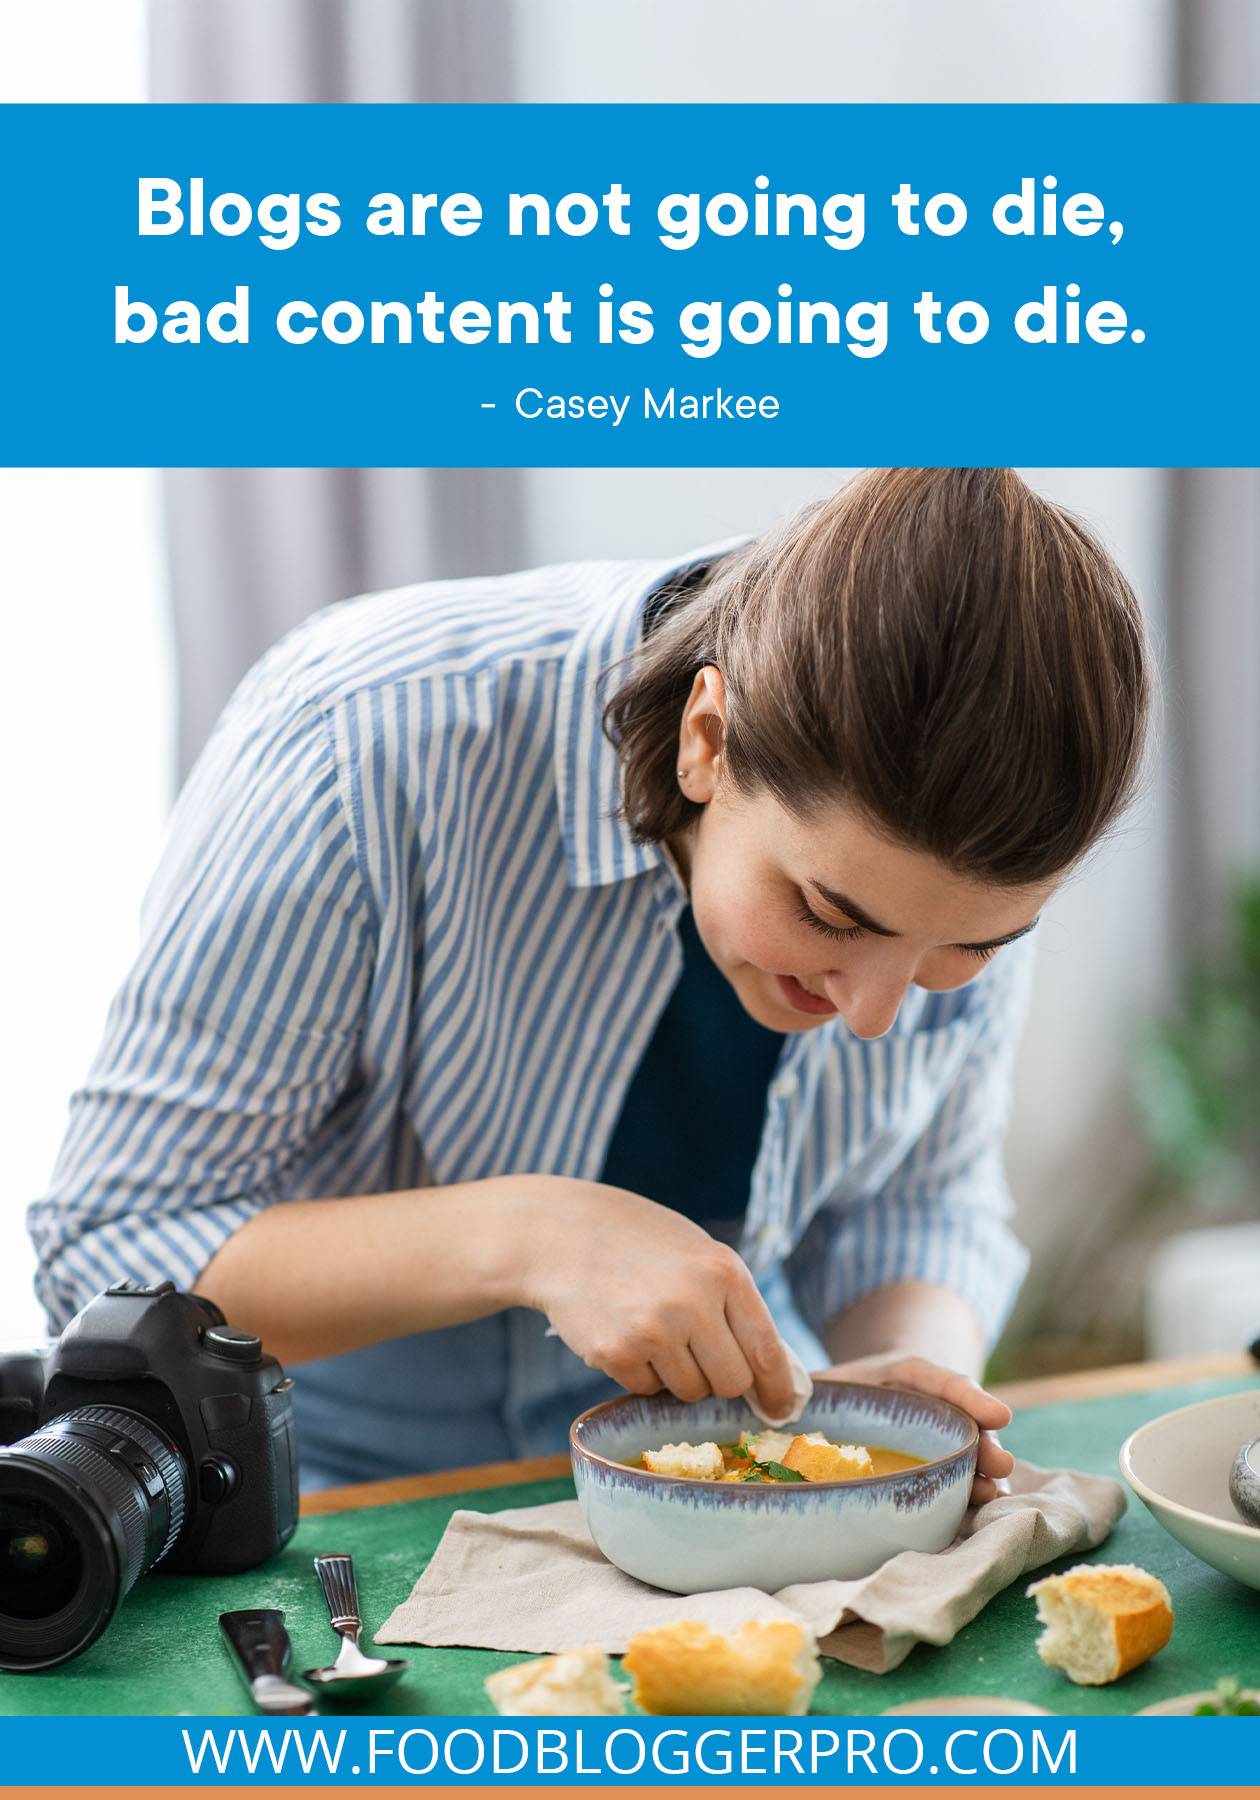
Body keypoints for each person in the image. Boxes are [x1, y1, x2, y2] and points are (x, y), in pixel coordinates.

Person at [29, 468, 1151, 1495]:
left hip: (734, 1479)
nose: (873, 1015)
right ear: (708, 739)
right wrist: (532, 1236)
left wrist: (903, 1383)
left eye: (967, 953)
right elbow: (109, 1254)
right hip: (319, 1483)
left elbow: (915, 1201)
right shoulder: (362, 739)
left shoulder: (974, 828)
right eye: (828, 915)